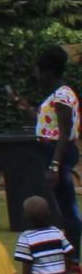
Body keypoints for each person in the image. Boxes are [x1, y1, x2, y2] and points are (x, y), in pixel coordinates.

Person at [37, 48, 80, 245]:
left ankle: (74, 255)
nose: (36, 76)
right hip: (54, 150)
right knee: (63, 205)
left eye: (39, 71)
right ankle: (71, 252)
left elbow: (64, 133)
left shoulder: (62, 96)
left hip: (58, 152)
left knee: (67, 207)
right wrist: (23, 106)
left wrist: (55, 166)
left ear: (49, 72)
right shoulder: (58, 95)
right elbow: (47, 125)